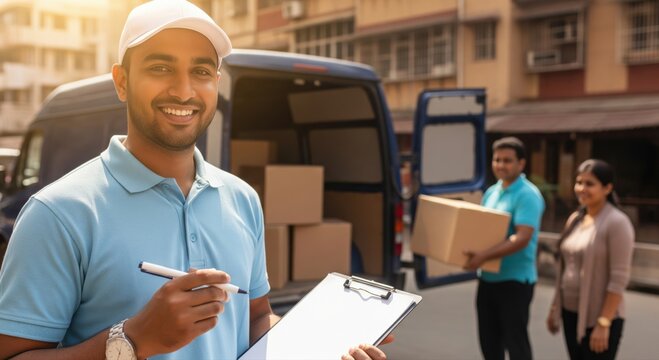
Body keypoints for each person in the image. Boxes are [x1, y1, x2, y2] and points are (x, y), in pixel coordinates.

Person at [0, 1, 389, 359]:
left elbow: (255, 318)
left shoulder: (241, 199)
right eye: (160, 68)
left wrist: (320, 347)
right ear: (121, 81)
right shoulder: (58, 213)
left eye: (201, 71)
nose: (184, 91)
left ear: (216, 82)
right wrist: (131, 341)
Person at [463, 136, 545, 360]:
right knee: (489, 343)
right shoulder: (492, 192)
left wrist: (483, 256)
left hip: (515, 281)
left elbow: (521, 238)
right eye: (497, 159)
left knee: (515, 343)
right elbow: (483, 231)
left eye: (507, 160)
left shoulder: (528, 195)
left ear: (521, 163)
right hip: (488, 279)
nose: (501, 165)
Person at [546, 159, 634, 360]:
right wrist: (555, 307)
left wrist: (604, 323)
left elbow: (619, 278)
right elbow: (565, 267)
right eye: (579, 182)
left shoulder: (617, 223)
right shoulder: (576, 218)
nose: (582, 189)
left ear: (607, 188)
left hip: (599, 317)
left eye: (590, 184)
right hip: (571, 312)